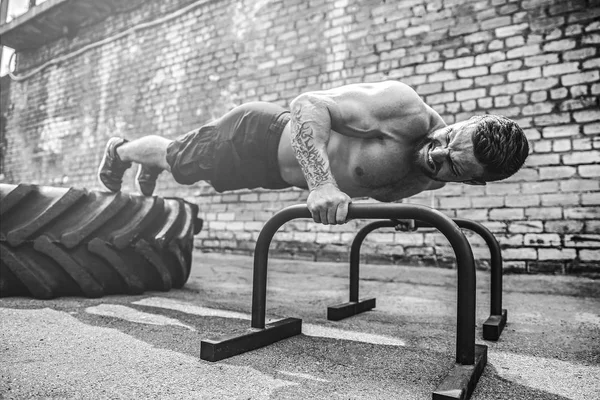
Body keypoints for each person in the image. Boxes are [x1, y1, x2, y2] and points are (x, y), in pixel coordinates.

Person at [98, 80, 529, 225]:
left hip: (275, 171)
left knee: (194, 171)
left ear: (473, 181)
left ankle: (146, 165)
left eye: (452, 165)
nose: (436, 153)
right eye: (447, 137)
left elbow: (382, 185)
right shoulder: (404, 110)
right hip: (259, 135)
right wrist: (322, 183)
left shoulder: (425, 176)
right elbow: (309, 104)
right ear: (460, 122)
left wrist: (402, 214)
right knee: (180, 160)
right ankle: (122, 150)